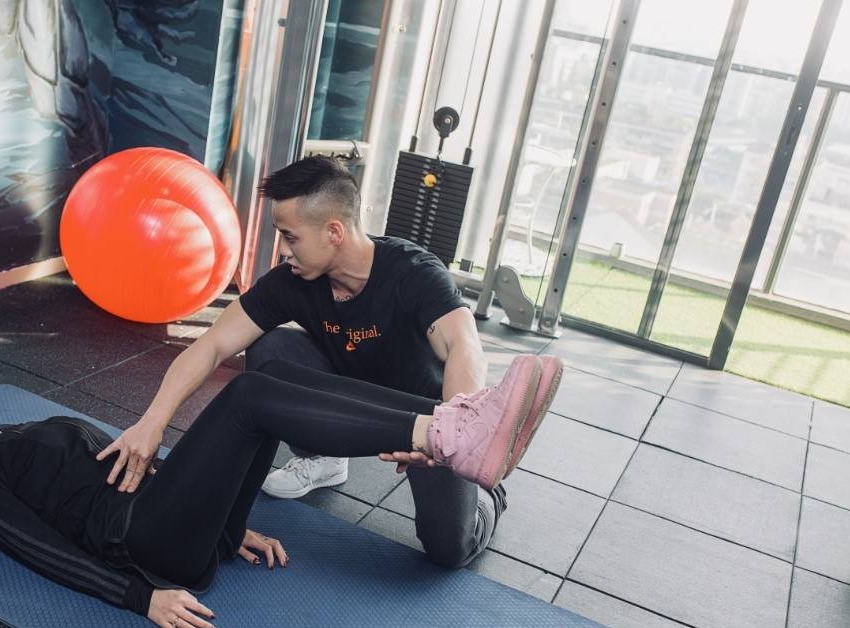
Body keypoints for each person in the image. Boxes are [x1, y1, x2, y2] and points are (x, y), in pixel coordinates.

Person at [0, 353, 549, 628]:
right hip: (144, 546)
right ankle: (446, 432)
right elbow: (28, 544)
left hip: (178, 526)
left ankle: (452, 424)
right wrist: (140, 598)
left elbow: (134, 468)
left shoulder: (11, 431)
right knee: (250, 394)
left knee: (276, 377)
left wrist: (225, 523)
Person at [102, 156, 564, 569]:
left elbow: (464, 345)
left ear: (334, 232)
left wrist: (456, 423)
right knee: (269, 353)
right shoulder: (292, 281)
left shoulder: (413, 272)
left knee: (449, 549)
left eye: (290, 237)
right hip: (349, 400)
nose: (283, 250)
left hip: (429, 417)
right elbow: (212, 346)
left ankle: (487, 495)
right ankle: (323, 458)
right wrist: (152, 422)